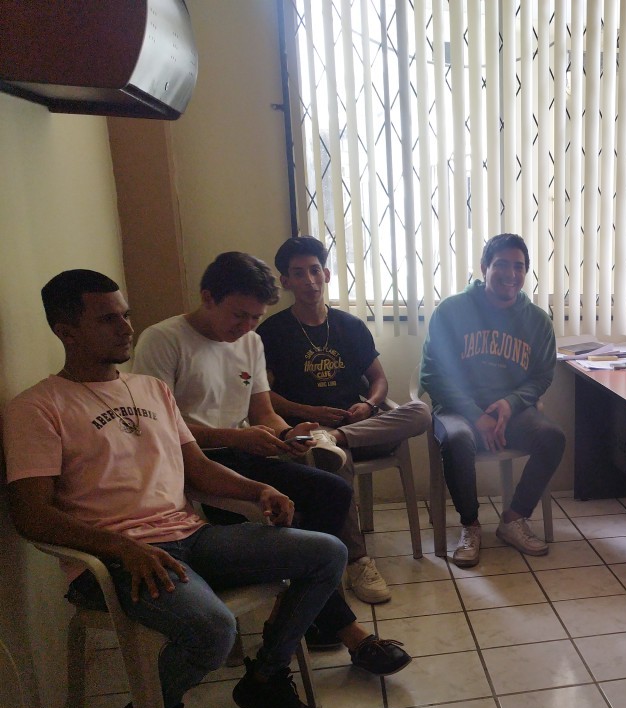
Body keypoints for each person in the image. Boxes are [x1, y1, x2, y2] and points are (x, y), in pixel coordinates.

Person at [5, 270, 347, 708]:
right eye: (107, 319)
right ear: (65, 331)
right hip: (116, 561)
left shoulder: (151, 390)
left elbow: (198, 469)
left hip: (190, 535)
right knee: (214, 629)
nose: (125, 327)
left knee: (326, 553)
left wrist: (259, 490)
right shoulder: (36, 408)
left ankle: (266, 677)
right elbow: (31, 515)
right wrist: (120, 548)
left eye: (124, 314)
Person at [132, 252, 410, 675]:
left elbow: (262, 410)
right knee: (292, 524)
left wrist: (287, 434)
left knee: (333, 491)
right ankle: (341, 629)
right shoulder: (163, 340)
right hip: (190, 461)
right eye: (238, 315)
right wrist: (235, 437)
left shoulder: (250, 342)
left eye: (255, 318)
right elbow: (159, 429)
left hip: (243, 452)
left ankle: (304, 610)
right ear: (208, 297)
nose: (246, 327)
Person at [258, 235, 432, 600]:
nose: (310, 280)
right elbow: (262, 395)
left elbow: (380, 380)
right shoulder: (271, 332)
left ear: (326, 274)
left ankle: (337, 439)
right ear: (286, 281)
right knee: (335, 460)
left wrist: (369, 405)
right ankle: (358, 561)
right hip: (309, 431)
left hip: (358, 425)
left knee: (420, 411)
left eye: (315, 270)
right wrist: (309, 413)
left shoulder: (349, 325)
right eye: (299, 273)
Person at [418, 233, 565, 567]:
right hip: (457, 409)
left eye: (519, 266)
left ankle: (513, 519)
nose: (510, 274)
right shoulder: (451, 311)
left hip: (510, 411)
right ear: (484, 267)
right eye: (501, 264)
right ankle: (470, 525)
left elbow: (542, 376)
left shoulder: (538, 321)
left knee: (552, 437)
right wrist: (475, 414)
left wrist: (510, 403)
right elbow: (432, 374)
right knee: (457, 439)